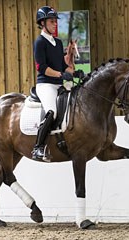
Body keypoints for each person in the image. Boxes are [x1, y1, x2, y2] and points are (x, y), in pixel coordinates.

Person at [32, 6, 75, 161]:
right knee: (52, 111)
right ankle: (38, 148)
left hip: (59, 84)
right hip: (46, 85)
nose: (55, 24)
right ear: (43, 23)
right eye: (52, 21)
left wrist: (73, 73)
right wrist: (60, 74)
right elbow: (41, 67)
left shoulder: (58, 42)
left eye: (55, 21)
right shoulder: (39, 42)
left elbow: (63, 66)